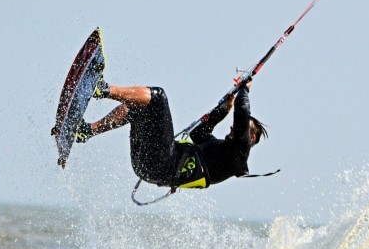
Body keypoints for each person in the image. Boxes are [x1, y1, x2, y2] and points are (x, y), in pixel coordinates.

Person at [74, 79, 268, 190]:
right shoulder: (219, 151)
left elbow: (242, 114)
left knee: (158, 97)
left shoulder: (239, 155)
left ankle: (102, 89)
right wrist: (224, 109)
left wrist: (244, 90)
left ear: (250, 138)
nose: (234, 127)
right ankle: (87, 131)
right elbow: (199, 132)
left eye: (243, 128)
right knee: (138, 107)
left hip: (164, 163)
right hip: (147, 167)